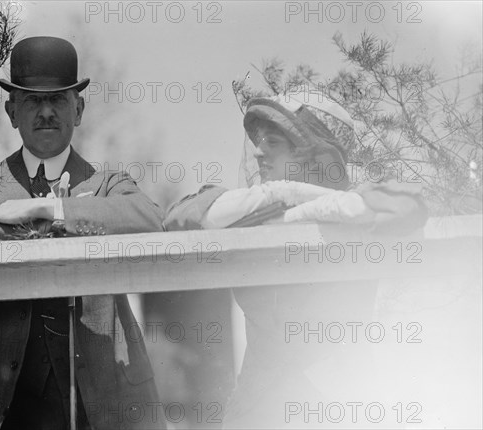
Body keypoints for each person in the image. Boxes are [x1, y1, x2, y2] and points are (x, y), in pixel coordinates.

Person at [0, 37, 166, 430]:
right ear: (11, 111)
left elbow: (149, 220)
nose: (45, 112)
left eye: (57, 100)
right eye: (31, 101)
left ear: (79, 108)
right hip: (4, 404)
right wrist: (13, 230)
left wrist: (52, 211)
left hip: (103, 402)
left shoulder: (107, 185)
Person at [164, 93, 427, 428]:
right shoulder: (255, 209)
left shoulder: (353, 208)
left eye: (273, 141)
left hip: (339, 399)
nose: (258, 152)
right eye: (257, 142)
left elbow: (406, 205)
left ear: (315, 158)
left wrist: (309, 202)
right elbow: (179, 216)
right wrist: (278, 194)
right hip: (259, 403)